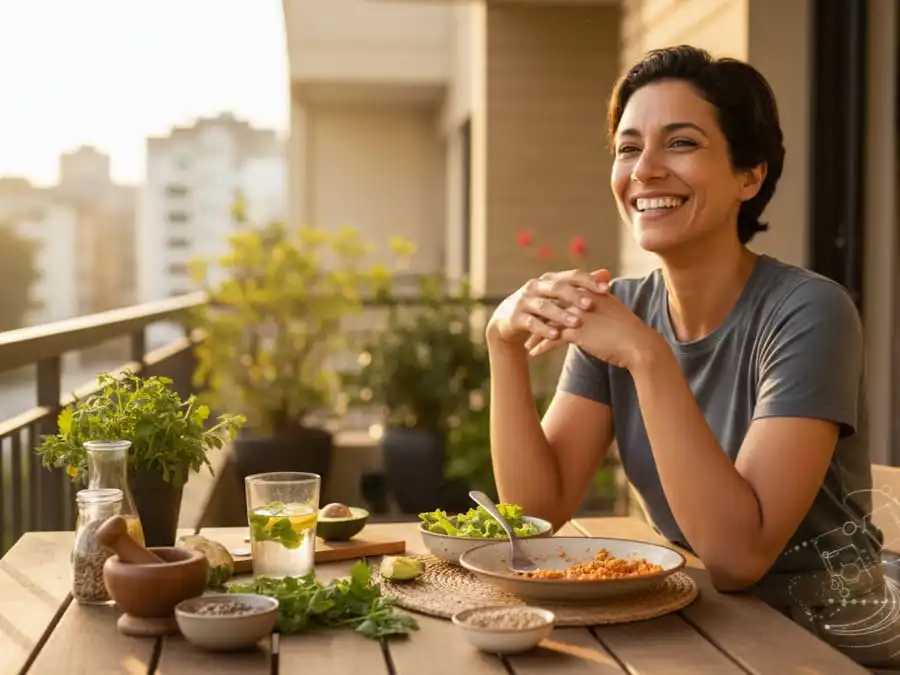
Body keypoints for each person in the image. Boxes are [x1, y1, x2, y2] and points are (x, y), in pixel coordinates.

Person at [485, 44, 900, 669]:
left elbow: (739, 557)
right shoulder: (621, 310)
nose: (644, 169)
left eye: (680, 143)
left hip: (832, 628)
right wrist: (503, 347)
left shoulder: (811, 311)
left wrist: (648, 358)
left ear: (749, 175)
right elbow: (537, 515)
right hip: (697, 617)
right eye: (628, 148)